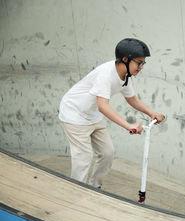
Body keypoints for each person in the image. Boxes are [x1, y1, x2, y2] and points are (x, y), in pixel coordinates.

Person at [59, 38, 164, 189]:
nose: (141, 67)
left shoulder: (125, 76)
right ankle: (76, 191)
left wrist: (151, 113)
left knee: (107, 153)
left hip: (92, 114)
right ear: (125, 59)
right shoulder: (106, 74)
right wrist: (128, 125)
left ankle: (95, 187)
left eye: (143, 63)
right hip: (74, 113)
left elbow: (132, 99)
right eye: (139, 62)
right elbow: (103, 106)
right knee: (84, 156)